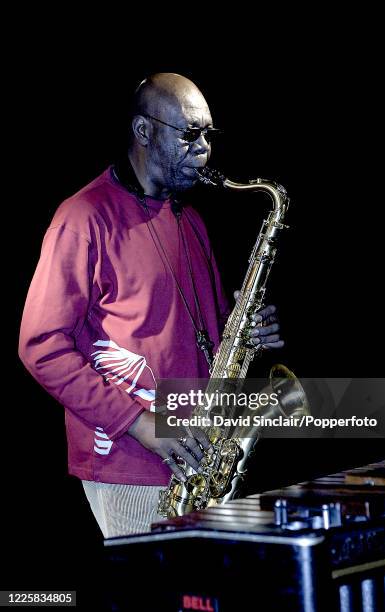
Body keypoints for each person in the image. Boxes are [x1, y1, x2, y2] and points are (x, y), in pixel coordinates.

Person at [18, 73, 284, 538]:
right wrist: (141, 424)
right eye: (190, 134)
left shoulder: (190, 218)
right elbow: (40, 346)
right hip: (131, 461)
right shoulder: (83, 217)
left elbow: (198, 337)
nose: (204, 150)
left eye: (208, 135)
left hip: (200, 455)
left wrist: (240, 330)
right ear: (144, 131)